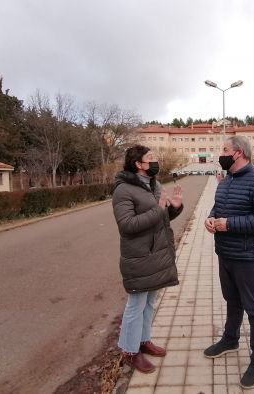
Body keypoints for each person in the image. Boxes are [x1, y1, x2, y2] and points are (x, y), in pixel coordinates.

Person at [204, 136, 254, 389]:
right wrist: (211, 220)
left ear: (238, 153)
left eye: (224, 150)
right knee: (232, 301)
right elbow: (217, 208)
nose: (220, 154)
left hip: (248, 257)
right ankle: (230, 339)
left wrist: (229, 224)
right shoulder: (225, 182)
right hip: (225, 253)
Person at [112, 145, 183, 374]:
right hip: (140, 257)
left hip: (157, 255)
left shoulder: (154, 184)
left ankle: (144, 341)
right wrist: (158, 210)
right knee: (136, 305)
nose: (154, 161)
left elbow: (162, 217)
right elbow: (127, 225)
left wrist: (175, 207)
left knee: (150, 302)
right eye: (149, 158)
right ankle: (130, 352)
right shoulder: (123, 190)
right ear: (138, 164)